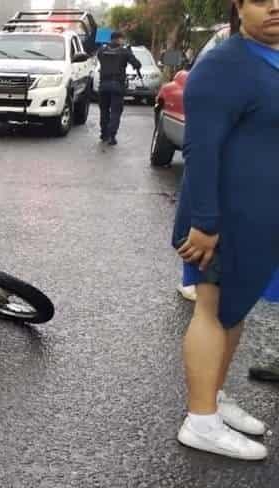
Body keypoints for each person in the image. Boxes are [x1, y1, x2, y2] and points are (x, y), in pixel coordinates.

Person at [172, 0, 279, 461]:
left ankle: (213, 399)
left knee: (234, 312)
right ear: (239, 7)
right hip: (218, 217)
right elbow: (201, 148)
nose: (274, 6)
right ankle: (200, 420)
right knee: (212, 311)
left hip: (258, 216)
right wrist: (205, 222)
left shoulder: (269, 61)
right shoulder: (224, 65)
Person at [96, 32, 142, 145]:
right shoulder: (124, 52)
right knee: (115, 112)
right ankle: (112, 136)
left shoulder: (101, 51)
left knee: (104, 110)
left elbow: (101, 60)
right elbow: (137, 64)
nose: (123, 41)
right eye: (122, 39)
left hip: (103, 85)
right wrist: (130, 53)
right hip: (117, 85)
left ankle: (104, 134)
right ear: (119, 39)